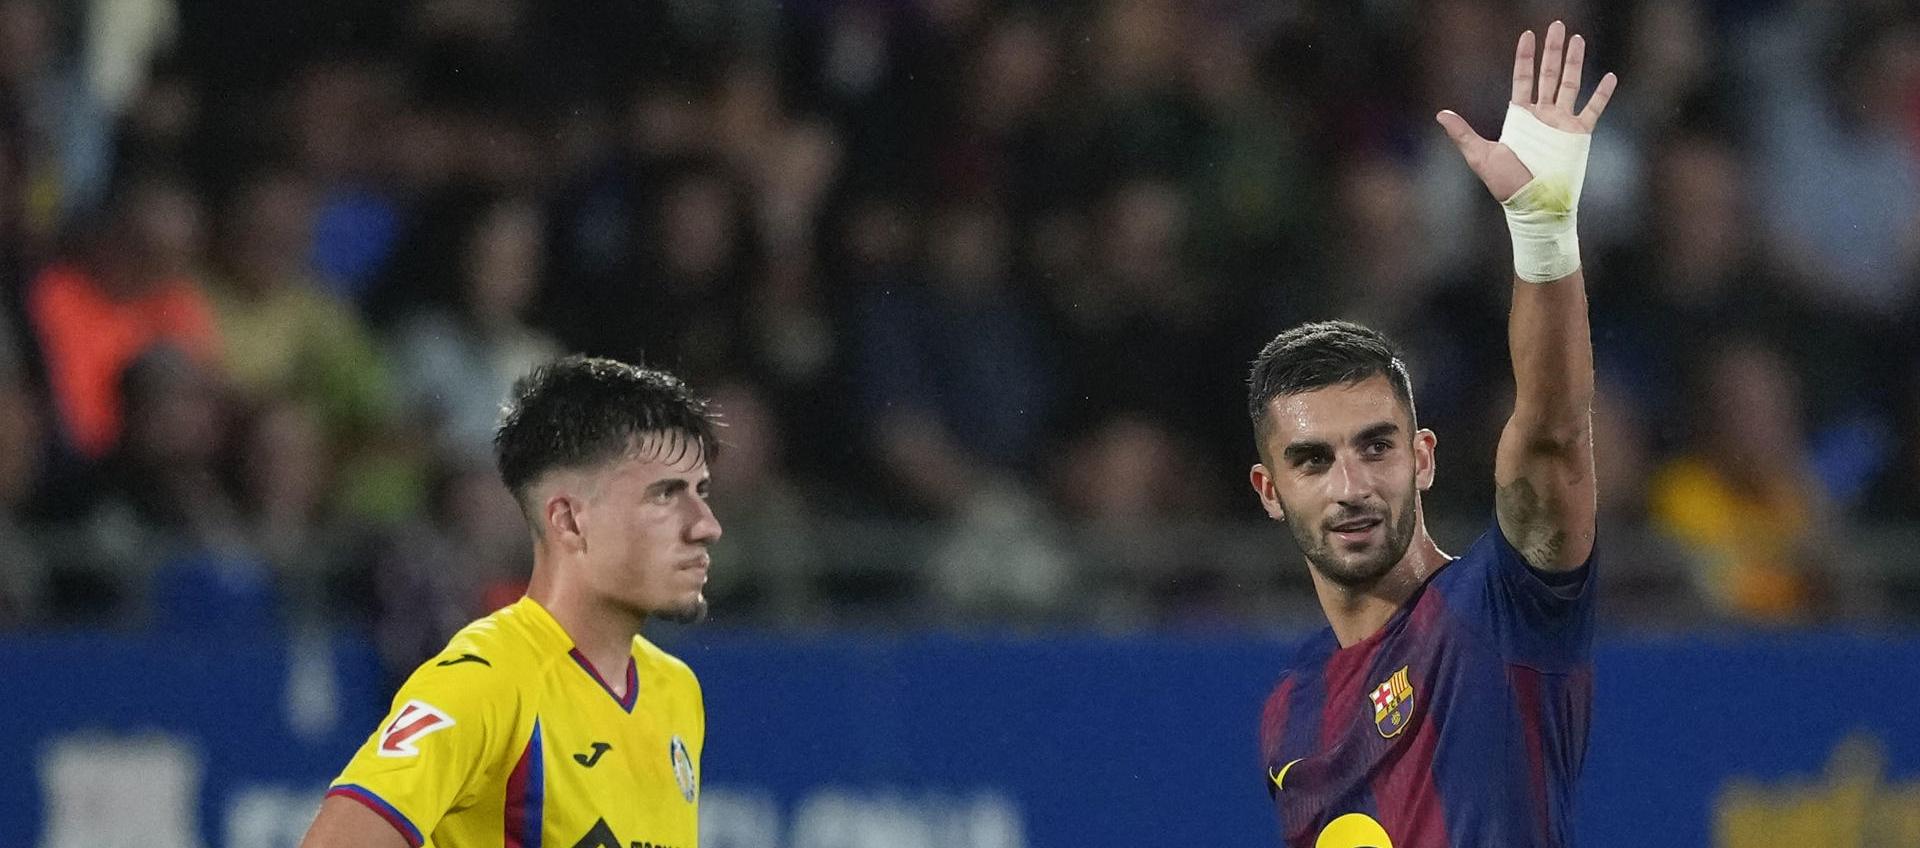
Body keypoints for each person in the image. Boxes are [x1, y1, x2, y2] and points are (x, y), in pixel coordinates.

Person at [1247, 23, 1613, 847]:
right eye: (1312, 459)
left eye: (1376, 446)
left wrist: (1544, 234)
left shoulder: (1503, 609)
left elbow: (1553, 436)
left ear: (1423, 458)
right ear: (1270, 492)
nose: (1350, 485)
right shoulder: (1288, 709)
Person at [299, 356, 723, 848]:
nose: (705, 525)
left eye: (702, 491)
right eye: (665, 495)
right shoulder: (488, 680)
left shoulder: (676, 689)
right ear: (568, 521)